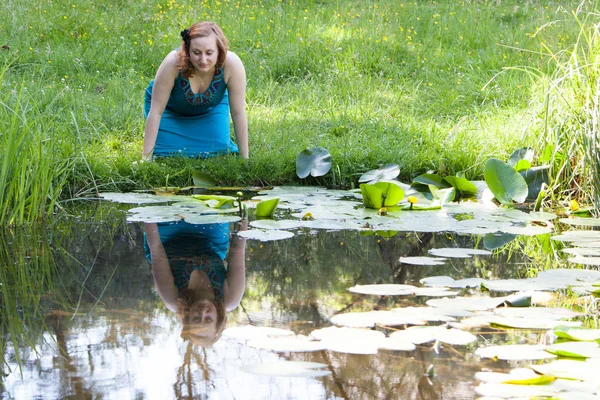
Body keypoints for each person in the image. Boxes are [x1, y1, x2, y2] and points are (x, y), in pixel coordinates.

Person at [143, 21, 248, 159]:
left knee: (219, 148)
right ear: (187, 50)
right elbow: (156, 111)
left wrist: (245, 158)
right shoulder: (172, 63)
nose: (203, 60)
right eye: (196, 52)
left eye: (209, 53)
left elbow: (238, 112)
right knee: (164, 151)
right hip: (170, 111)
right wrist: (146, 158)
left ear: (219, 50)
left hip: (210, 109)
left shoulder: (232, 64)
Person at [144, 220, 247, 346]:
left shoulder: (173, 299)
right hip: (210, 239)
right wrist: (244, 214)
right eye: (208, 319)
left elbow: (156, 249)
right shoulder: (230, 299)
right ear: (218, 319)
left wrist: (149, 212)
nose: (203, 312)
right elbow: (237, 251)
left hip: (168, 239)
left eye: (196, 319)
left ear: (188, 317)